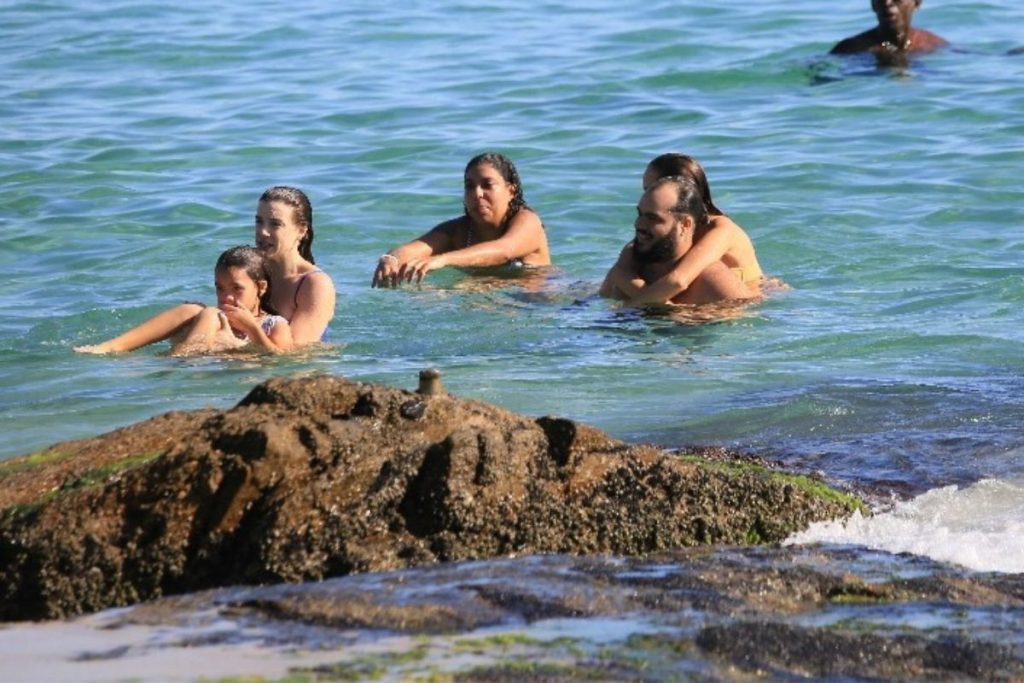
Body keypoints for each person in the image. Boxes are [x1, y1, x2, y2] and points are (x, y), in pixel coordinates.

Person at [75, 186, 334, 353]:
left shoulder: (313, 284)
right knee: (196, 311)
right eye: (258, 221)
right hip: (246, 346)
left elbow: (295, 355)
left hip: (270, 358)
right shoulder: (255, 267)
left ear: (301, 231)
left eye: (275, 224)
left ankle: (174, 367)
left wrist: (236, 339)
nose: (262, 232)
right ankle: (112, 348)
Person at [601, 154, 763, 306]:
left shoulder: (720, 229)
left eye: (651, 188)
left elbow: (677, 280)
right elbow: (619, 271)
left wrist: (636, 308)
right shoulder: (664, 230)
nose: (649, 195)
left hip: (751, 297)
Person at [372, 152, 550, 287]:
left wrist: (442, 260)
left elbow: (503, 251)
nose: (477, 194)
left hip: (548, 302)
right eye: (470, 186)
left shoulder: (527, 221)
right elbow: (416, 248)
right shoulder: (458, 231)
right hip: (498, 298)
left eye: (487, 185)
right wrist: (390, 259)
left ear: (510, 191)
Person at [169, 245, 293, 355]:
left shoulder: (273, 325)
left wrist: (252, 328)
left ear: (261, 287)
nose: (226, 297)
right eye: (220, 288)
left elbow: (281, 359)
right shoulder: (211, 318)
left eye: (237, 288)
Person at [830, 0, 947, 60]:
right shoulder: (851, 49)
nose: (887, 3)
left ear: (917, 3)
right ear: (873, 4)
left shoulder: (934, 44)